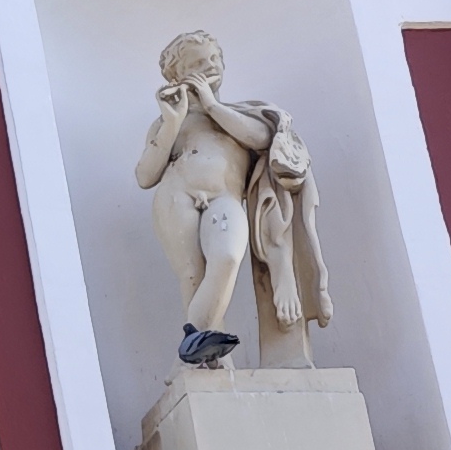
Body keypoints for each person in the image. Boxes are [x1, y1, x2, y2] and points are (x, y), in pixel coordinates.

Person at [133, 28, 328, 371]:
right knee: (192, 275)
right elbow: (145, 176)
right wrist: (172, 121)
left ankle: (193, 344)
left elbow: (261, 137)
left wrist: (210, 104)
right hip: (177, 196)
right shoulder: (170, 122)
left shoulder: (241, 115)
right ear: (179, 75)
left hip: (224, 197)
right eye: (197, 63)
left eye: (214, 58)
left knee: (225, 257)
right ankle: (208, 355)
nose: (209, 66)